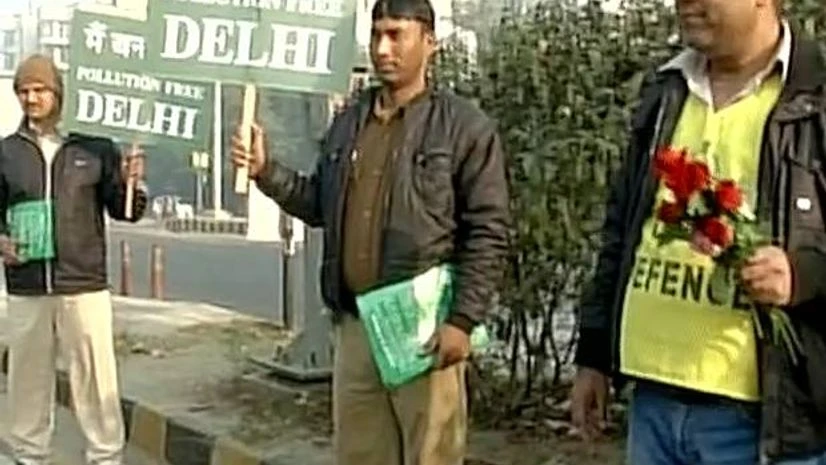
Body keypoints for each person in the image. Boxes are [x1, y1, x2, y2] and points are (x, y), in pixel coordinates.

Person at [231, 0, 510, 464]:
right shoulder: (349, 123)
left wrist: (462, 320)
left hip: (423, 329)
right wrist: (265, 170)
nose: (383, 48)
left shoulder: (463, 128)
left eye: (396, 34)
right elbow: (319, 202)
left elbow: (489, 230)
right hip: (357, 330)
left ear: (430, 43)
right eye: (377, 34)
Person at [570, 0, 826, 464]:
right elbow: (622, 227)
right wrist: (594, 354)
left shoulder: (814, 98)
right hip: (653, 402)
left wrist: (802, 273)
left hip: (762, 421)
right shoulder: (667, 90)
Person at [0, 54, 147, 465]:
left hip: (84, 285)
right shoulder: (7, 152)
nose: (31, 98)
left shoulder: (93, 148)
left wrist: (133, 180)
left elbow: (126, 210)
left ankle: (105, 455)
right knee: (27, 380)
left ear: (57, 93)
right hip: (27, 287)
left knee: (95, 379)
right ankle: (28, 455)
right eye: (23, 91)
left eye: (39, 90)